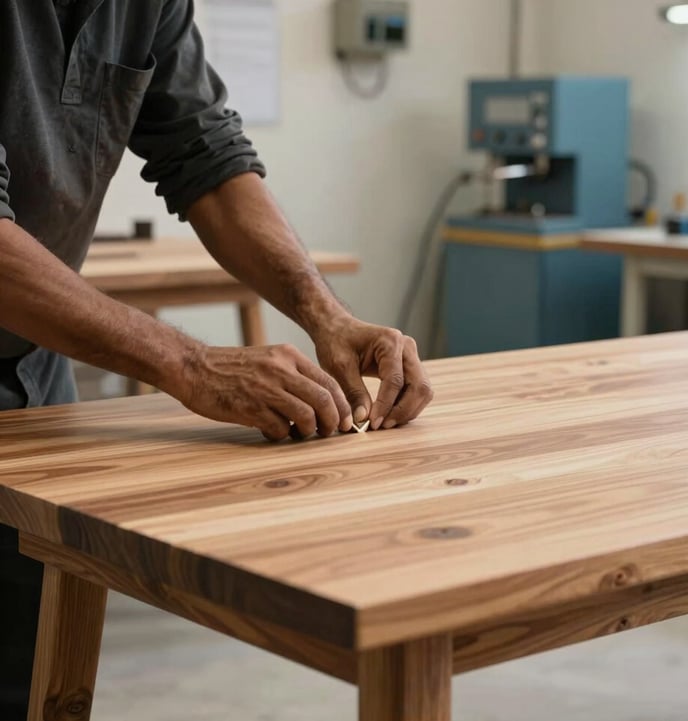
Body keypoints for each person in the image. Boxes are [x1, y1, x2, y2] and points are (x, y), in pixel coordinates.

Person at [0, 1, 434, 718]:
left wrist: (328, 315)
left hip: (31, 376)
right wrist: (190, 363)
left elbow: (206, 155)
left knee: (30, 670)